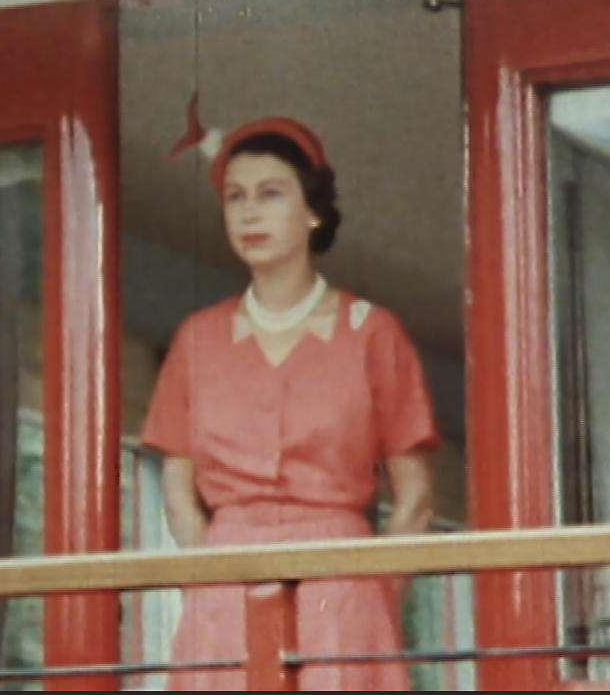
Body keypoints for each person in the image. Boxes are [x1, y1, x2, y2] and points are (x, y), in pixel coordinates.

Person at [141, 116, 441, 690]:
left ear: (313, 211)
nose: (249, 212)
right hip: (226, 588)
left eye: (271, 193)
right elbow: (178, 488)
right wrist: (214, 575)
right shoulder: (197, 339)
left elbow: (417, 498)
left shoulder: (372, 333)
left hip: (342, 587)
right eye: (235, 197)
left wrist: (372, 594)